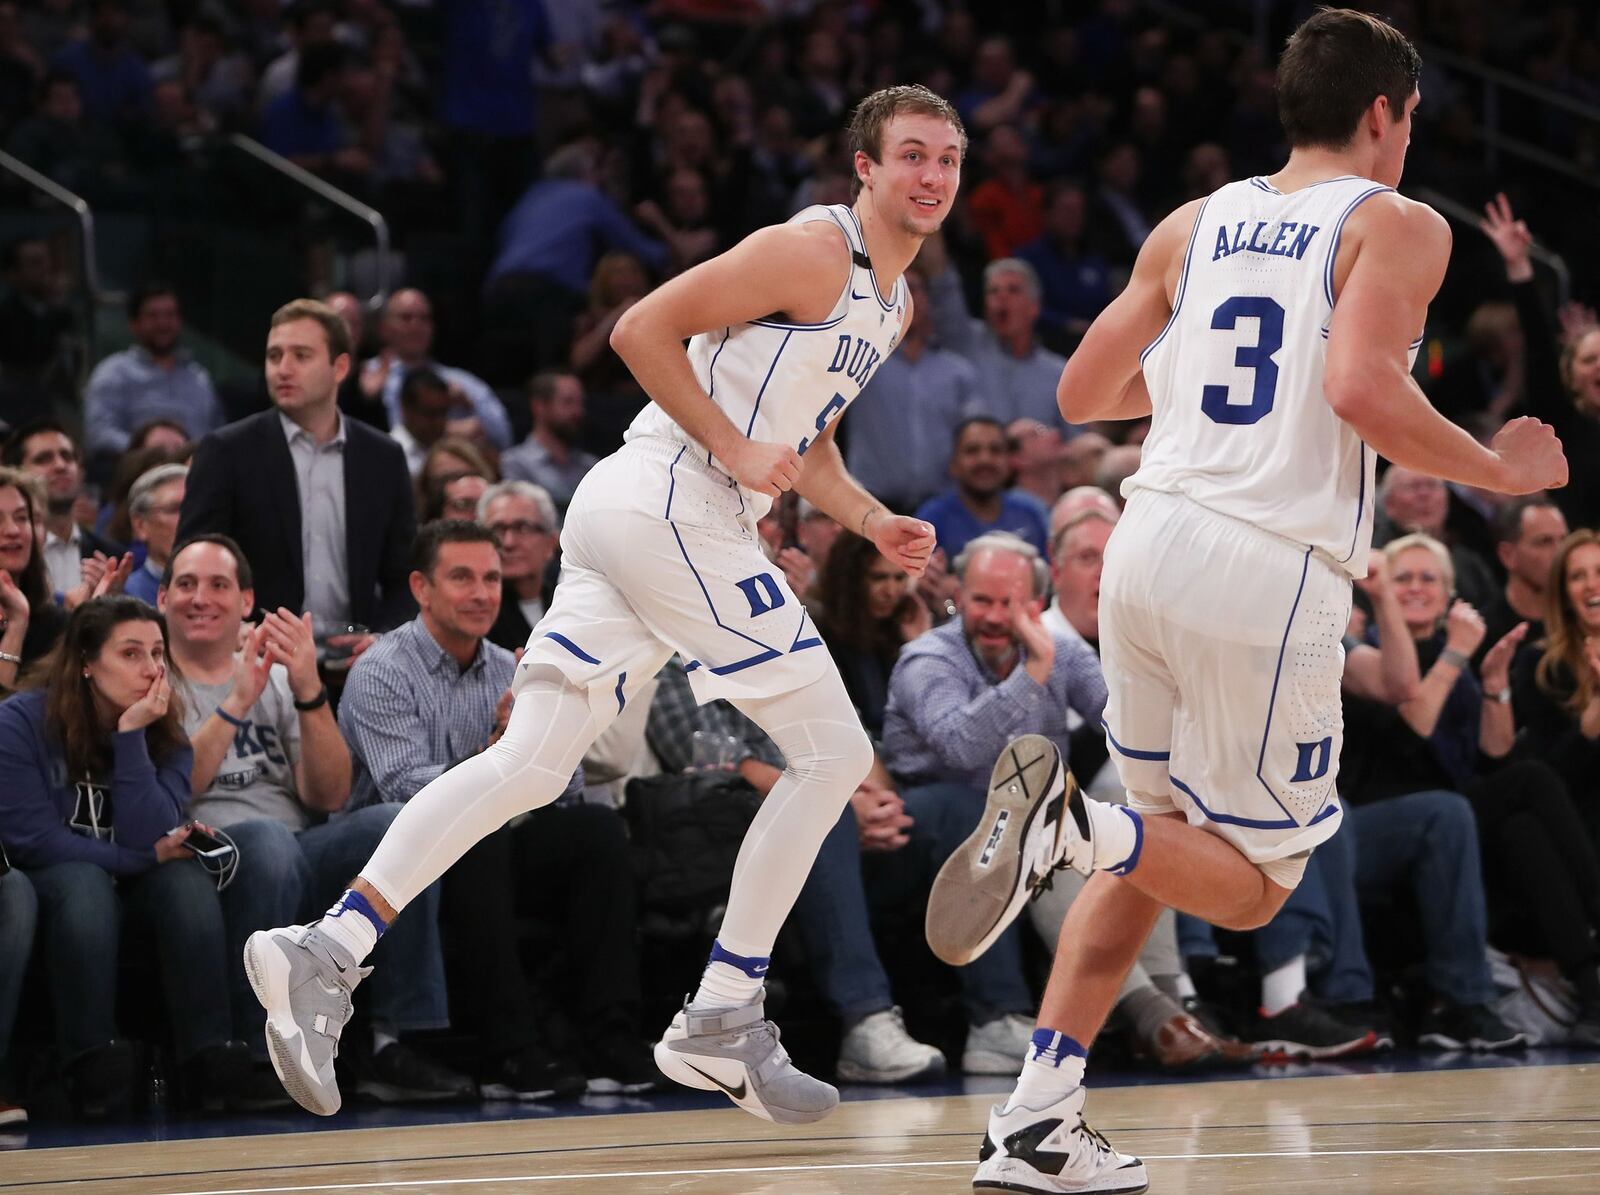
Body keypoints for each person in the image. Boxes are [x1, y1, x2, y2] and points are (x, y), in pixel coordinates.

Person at [925, 13, 1566, 1191]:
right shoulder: (1397, 224)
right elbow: (1361, 389)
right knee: (1259, 874)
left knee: (1156, 849)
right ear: (1385, 112)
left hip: (1147, 539)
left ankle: (1035, 1120)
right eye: (1411, 117)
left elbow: (1080, 389)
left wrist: (1187, 388)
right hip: (1263, 566)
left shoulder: (1194, 219)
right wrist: (1498, 467)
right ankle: (1067, 826)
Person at [243, 83, 962, 1126]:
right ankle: (722, 1011)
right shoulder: (813, 248)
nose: (932, 175)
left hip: (641, 516)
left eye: (947, 157)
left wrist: (865, 520)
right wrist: (728, 448)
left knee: (531, 765)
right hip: (674, 500)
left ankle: (326, 946)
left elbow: (810, 438)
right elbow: (640, 330)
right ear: (865, 166)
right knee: (833, 755)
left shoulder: (891, 304)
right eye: (911, 154)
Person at [337, 521, 653, 1097]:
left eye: (490, 578)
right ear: (421, 588)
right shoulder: (381, 669)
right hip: (402, 862)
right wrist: (500, 761)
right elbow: (400, 787)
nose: (482, 593)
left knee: (596, 829)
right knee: (480, 832)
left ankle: (610, 1035)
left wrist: (547, 742)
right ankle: (513, 1050)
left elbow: (569, 786)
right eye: (461, 578)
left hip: (495, 851)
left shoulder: (513, 669)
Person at [162, 533, 471, 1105]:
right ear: (162, 600)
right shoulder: (156, 679)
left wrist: (307, 689)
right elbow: (175, 792)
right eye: (186, 584)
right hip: (204, 851)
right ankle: (259, 1055)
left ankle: (389, 1043)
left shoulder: (276, 676)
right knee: (269, 842)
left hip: (294, 841)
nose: (200, 597)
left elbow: (328, 794)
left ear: (246, 600)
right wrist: (237, 700)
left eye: (218, 585)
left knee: (403, 823)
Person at [0, 596, 247, 1115]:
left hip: (131, 896)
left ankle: (209, 1058)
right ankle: (92, 1062)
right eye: (131, 653)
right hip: (53, 893)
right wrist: (139, 861)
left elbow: (149, 830)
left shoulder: (166, 737)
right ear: (86, 662)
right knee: (83, 882)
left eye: (158, 653)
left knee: (185, 884)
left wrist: (131, 735)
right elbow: (32, 841)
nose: (152, 668)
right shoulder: (21, 723)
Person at [178, 299, 417, 643]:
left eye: (301, 356)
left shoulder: (383, 457)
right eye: (274, 356)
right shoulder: (227, 451)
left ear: (340, 367)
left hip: (356, 662)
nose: (283, 369)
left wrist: (380, 639)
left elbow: (405, 577)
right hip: (258, 659)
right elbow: (191, 562)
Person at [82, 284, 224, 467]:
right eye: (153, 316)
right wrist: (153, 452)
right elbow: (99, 436)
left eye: (170, 315)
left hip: (199, 473)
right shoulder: (113, 373)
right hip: (139, 475)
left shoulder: (198, 377)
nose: (163, 323)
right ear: (134, 324)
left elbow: (219, 433)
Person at [359, 289, 512, 452]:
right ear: (384, 328)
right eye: (406, 317)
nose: (416, 326)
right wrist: (443, 431)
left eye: (424, 318)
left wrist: (469, 403)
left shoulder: (459, 381)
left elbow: (504, 439)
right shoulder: (364, 376)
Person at [3, 420, 123, 597]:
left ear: (81, 471)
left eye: (67, 457)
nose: (60, 466)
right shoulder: (10, 551)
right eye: (43, 459)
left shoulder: (112, 557)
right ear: (17, 474)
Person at [915, 416, 1050, 558]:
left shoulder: (1032, 512)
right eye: (972, 450)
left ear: (1009, 461)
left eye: (995, 450)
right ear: (953, 464)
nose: (985, 459)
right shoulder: (932, 520)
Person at [1479, 495, 1566, 668]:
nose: (1560, 552)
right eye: (1544, 542)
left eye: (1564, 540)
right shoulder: (1482, 634)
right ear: (1508, 555)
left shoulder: (1582, 621)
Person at [500, 372, 599, 511]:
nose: (578, 412)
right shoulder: (516, 464)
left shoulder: (591, 466)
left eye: (580, 403)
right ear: (539, 407)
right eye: (568, 402)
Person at [479, 480, 559, 652]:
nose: (508, 542)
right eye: (498, 529)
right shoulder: (475, 614)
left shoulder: (567, 604)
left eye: (523, 528)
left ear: (551, 543)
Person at [122, 463, 186, 604]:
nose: (189, 517)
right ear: (140, 526)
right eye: (174, 509)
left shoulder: (233, 588)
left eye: (194, 507)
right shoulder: (127, 598)